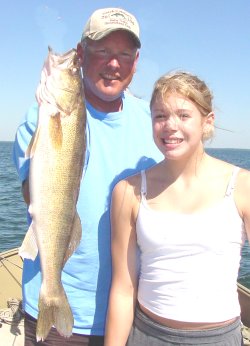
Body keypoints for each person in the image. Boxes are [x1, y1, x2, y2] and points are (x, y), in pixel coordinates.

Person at [13, 7, 162, 346]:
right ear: (81, 55)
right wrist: (45, 119)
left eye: (124, 54)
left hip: (131, 314)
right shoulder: (39, 117)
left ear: (136, 62)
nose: (114, 64)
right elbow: (31, 193)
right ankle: (53, 294)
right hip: (59, 312)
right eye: (103, 52)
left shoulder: (152, 124)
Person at [104, 71, 250, 346]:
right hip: (148, 335)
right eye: (160, 116)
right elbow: (123, 290)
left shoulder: (242, 186)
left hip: (220, 338)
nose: (170, 125)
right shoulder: (128, 192)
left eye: (183, 115)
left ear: (207, 122)